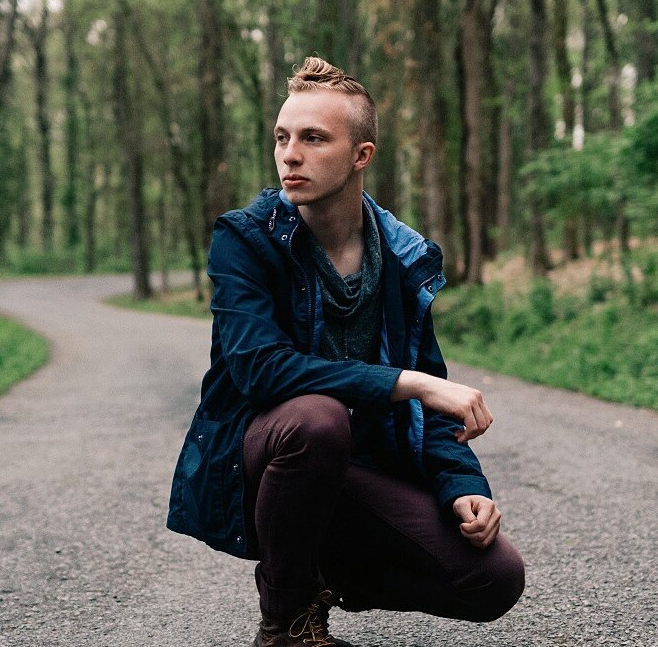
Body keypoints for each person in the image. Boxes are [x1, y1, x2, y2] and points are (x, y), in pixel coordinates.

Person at [167, 57, 524, 647]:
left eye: (313, 138)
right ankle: (287, 624)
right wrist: (408, 382)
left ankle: (318, 571)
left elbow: (430, 403)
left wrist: (464, 485)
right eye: (282, 137)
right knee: (318, 418)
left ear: (361, 155)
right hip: (267, 456)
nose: (290, 155)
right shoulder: (247, 240)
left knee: (495, 579)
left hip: (359, 470)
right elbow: (259, 369)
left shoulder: (403, 258)